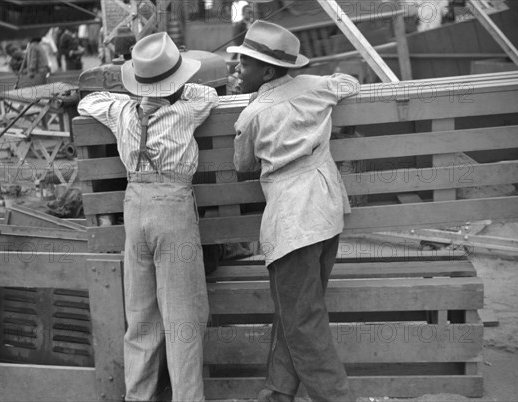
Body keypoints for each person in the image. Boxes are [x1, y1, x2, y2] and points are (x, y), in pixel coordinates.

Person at [78, 32, 218, 401]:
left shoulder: (121, 112)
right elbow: (209, 95)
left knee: (140, 317)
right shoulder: (185, 110)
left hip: (134, 207)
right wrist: (174, 93)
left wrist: (132, 100)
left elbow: (89, 101)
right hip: (172, 207)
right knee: (182, 316)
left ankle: (138, 396)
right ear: (175, 81)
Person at [227, 20, 360, 402]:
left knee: (303, 320)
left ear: (267, 71)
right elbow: (348, 82)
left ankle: (336, 398)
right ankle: (278, 390)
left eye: (245, 64)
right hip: (327, 211)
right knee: (298, 308)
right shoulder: (318, 87)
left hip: (293, 223)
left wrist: (254, 104)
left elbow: (244, 165)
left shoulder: (252, 115)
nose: (237, 69)